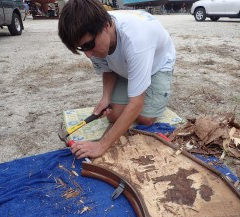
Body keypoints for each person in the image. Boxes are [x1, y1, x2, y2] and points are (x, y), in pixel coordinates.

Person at [58, 0, 176, 159]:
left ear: (106, 26)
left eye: (88, 46)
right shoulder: (94, 39)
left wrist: (101, 145)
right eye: (81, 48)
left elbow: (136, 103)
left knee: (145, 119)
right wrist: (105, 97)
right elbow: (107, 68)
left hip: (157, 65)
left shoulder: (136, 40)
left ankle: (148, 88)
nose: (88, 54)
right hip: (126, 66)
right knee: (113, 116)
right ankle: (135, 82)